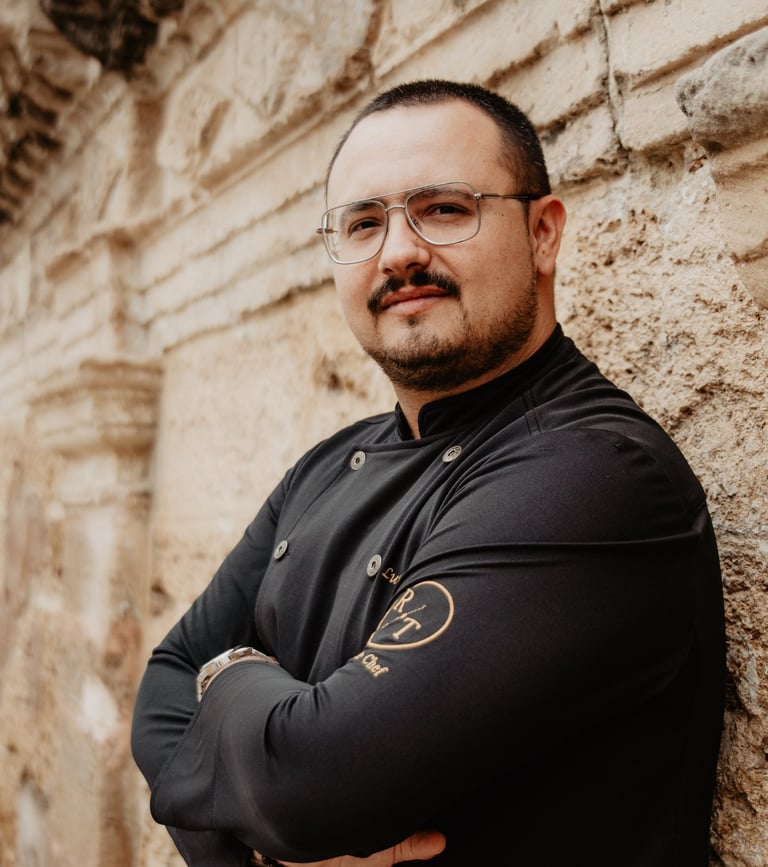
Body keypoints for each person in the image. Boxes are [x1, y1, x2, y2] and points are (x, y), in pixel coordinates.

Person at [131, 79, 726, 867]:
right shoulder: (323, 468)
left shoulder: (594, 474)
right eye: (364, 222)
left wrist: (235, 671)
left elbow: (310, 780)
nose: (400, 251)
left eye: (444, 208)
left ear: (543, 233)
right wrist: (268, 845)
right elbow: (163, 687)